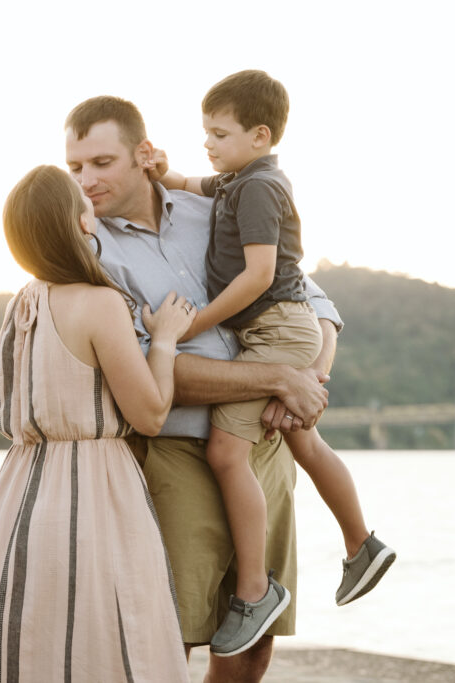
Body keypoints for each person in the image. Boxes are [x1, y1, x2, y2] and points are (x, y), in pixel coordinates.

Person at [64, 95, 336, 682]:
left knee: (252, 643)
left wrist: (314, 374)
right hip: (181, 454)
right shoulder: (93, 254)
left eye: (102, 162)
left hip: (266, 448)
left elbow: (307, 295)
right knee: (168, 637)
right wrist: (281, 376)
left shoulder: (215, 203)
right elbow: (145, 372)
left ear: (143, 154)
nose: (87, 181)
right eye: (76, 168)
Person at [152, 70, 396, 656]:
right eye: (204, 132)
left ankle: (255, 591)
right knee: (302, 440)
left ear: (259, 135)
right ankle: (361, 543)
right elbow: (200, 183)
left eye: (219, 133)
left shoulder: (260, 188)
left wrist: (195, 323)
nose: (207, 144)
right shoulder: (242, 178)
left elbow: (259, 275)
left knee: (226, 451)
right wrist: (169, 177)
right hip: (284, 328)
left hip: (275, 327)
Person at [0, 165, 194, 683]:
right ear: (80, 223)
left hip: (17, 499)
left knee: (34, 653)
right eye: (86, 205)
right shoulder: (100, 304)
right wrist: (164, 339)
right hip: (94, 497)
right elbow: (151, 414)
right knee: (114, 647)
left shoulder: (20, 304)